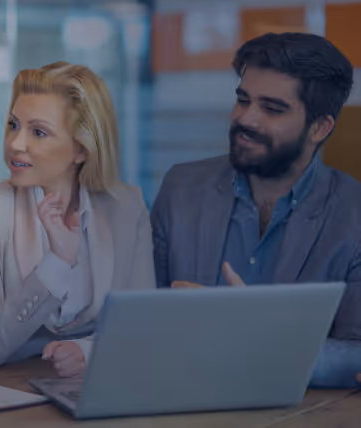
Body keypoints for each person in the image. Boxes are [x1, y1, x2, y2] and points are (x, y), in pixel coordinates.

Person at [151, 32, 361, 387]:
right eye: (242, 100)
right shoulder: (180, 188)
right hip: (178, 401)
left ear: (320, 127)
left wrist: (253, 339)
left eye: (272, 108)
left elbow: (356, 354)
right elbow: (139, 321)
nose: (246, 119)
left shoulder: (353, 213)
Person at [0, 62, 156, 378]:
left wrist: (88, 353)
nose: (15, 144)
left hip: (94, 390)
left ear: (81, 148)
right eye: (13, 124)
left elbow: (144, 328)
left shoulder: (127, 206)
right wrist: (57, 264)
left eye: (38, 132)